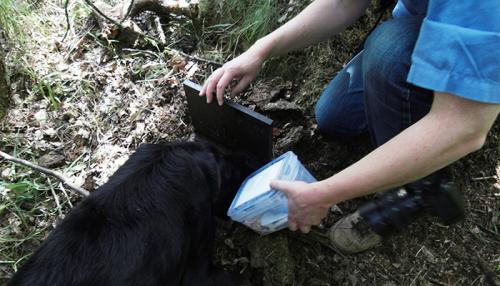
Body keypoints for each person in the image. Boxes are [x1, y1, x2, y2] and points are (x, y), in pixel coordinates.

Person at [199, 0, 500, 254]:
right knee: (334, 117)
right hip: (425, 23)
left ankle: (421, 188)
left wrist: (324, 194)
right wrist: (261, 49)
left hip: (473, 41)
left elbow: (463, 128)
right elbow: (344, 3)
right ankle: (400, 79)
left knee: (387, 50)